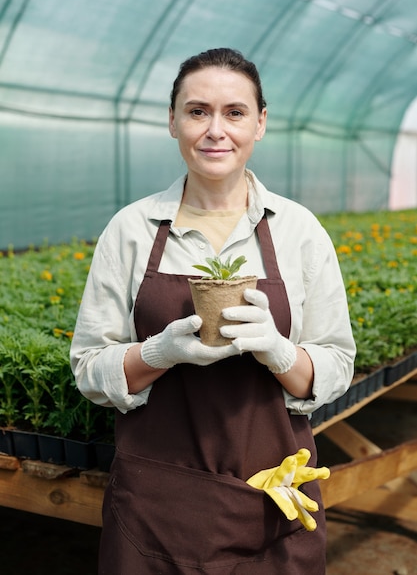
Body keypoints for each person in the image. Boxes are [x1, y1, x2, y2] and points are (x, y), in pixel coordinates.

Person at [70, 47, 356, 574]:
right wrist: (159, 353)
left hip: (272, 498)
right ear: (172, 120)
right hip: (155, 504)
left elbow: (337, 364)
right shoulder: (131, 230)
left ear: (260, 123)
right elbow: (89, 368)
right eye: (197, 111)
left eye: (234, 112)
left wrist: (278, 351)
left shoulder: (299, 232)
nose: (215, 130)